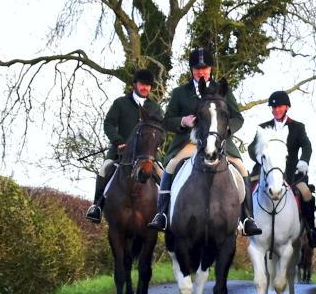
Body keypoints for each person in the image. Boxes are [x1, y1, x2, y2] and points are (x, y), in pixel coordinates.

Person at [148, 47, 262, 236]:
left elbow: (237, 118)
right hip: (190, 143)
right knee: (171, 166)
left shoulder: (223, 91)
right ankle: (161, 214)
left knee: (242, 169)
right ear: (191, 70)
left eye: (205, 68)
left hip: (219, 144)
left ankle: (248, 218)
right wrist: (182, 121)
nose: (201, 72)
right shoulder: (180, 93)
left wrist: (226, 129)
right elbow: (167, 121)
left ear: (210, 69)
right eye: (197, 68)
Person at [85, 68, 163, 223]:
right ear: (135, 84)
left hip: (147, 153)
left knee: (163, 174)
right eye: (142, 84)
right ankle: (97, 206)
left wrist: (157, 144)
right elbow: (108, 124)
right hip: (121, 151)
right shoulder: (120, 103)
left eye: (148, 85)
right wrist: (118, 141)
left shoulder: (155, 107)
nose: (145, 88)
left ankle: (163, 213)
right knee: (104, 169)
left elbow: (162, 129)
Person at [248, 90, 316, 248]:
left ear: (287, 107)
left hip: (291, 172)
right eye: (274, 107)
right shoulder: (263, 127)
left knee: (306, 194)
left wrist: (304, 160)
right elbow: (252, 147)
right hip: (265, 171)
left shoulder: (298, 127)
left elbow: (307, 146)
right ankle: (247, 222)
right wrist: (258, 157)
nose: (276, 110)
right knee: (247, 189)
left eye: (280, 107)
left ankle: (310, 229)